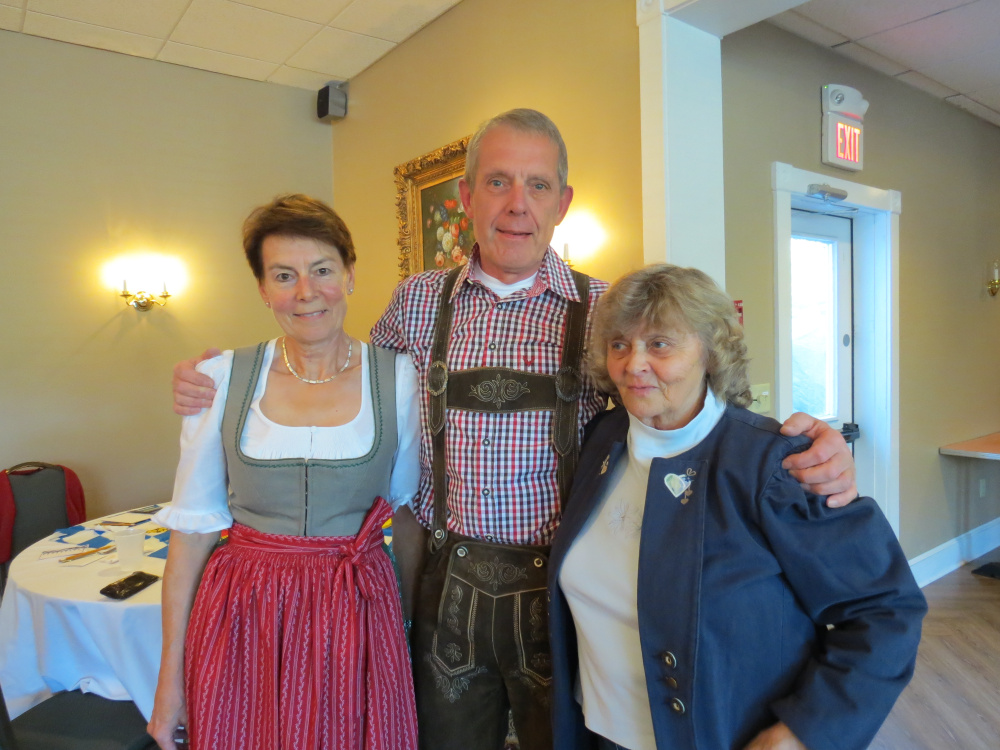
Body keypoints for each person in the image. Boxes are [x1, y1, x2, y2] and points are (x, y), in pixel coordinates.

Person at [171, 110, 859, 750]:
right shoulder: (416, 302)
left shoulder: (605, 309)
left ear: (563, 201)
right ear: (467, 197)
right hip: (444, 582)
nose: (516, 204)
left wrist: (796, 443)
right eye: (498, 182)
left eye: (537, 185)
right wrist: (225, 379)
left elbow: (685, 402)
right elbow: (350, 375)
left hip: (565, 589)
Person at [548, 264, 926, 750]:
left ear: (710, 352)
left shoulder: (774, 463)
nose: (633, 363)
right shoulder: (602, 441)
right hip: (598, 733)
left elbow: (886, 609)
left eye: (660, 343)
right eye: (620, 344)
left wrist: (801, 732)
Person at [148, 195, 420, 750]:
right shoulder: (220, 377)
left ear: (348, 275)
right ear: (263, 289)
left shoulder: (400, 377)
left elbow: (409, 517)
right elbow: (192, 533)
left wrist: (411, 636)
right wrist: (168, 683)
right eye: (283, 275)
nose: (305, 292)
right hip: (243, 616)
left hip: (358, 613)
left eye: (321, 270)